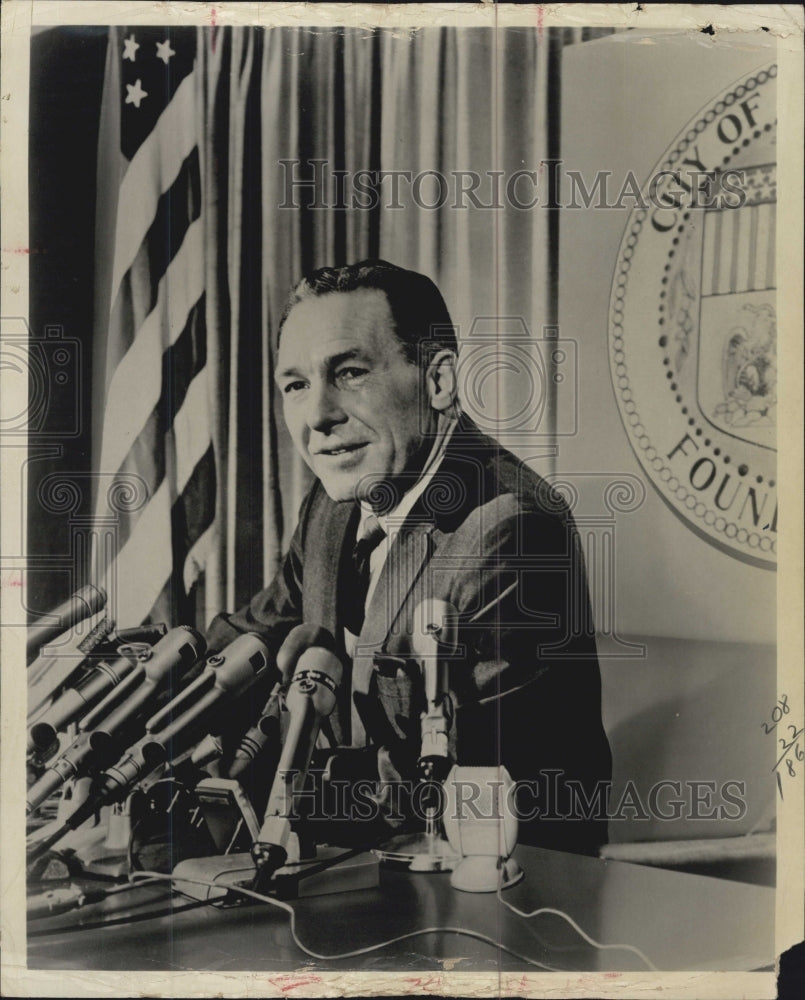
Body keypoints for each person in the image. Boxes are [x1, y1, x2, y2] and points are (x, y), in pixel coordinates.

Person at [206, 260, 611, 854]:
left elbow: (453, 780)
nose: (317, 416)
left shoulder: (514, 528)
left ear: (439, 381)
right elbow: (253, 639)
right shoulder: (336, 501)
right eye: (295, 385)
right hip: (357, 873)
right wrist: (138, 704)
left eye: (348, 373)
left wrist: (270, 783)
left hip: (493, 895)